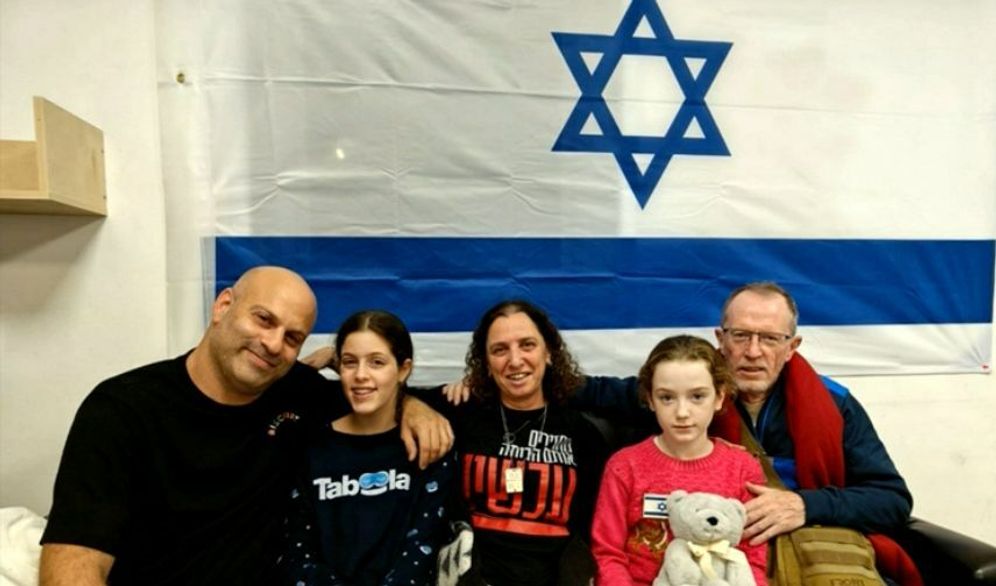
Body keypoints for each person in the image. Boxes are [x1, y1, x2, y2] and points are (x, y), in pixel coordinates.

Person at [39, 266, 453, 586]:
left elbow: (370, 396)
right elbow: (73, 564)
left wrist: (413, 405)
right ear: (223, 306)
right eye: (263, 319)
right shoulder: (122, 409)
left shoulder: (296, 392)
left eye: (292, 338)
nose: (273, 344)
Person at [577, 282, 918, 584]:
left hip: (805, 553)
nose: (753, 351)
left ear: (792, 346)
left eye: (770, 338)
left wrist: (804, 504)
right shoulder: (691, 390)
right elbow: (593, 391)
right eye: (740, 335)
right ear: (720, 339)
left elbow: (891, 500)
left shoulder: (834, 405)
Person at [276, 310, 455, 585]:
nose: (361, 375)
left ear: (403, 369)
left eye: (377, 362)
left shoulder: (428, 445)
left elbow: (424, 547)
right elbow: (297, 550)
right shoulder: (311, 448)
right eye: (350, 362)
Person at [445, 300, 609, 586]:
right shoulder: (460, 415)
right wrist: (415, 410)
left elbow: (593, 529)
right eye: (500, 350)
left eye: (527, 345)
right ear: (485, 362)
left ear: (548, 353)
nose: (515, 360)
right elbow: (387, 396)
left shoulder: (581, 433)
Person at [590, 335, 766, 586]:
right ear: (650, 399)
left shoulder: (743, 467)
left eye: (697, 397)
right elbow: (608, 554)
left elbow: (753, 559)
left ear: (718, 398)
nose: (682, 412)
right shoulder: (624, 466)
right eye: (667, 398)